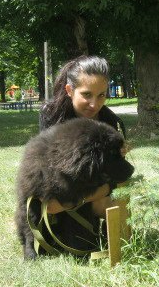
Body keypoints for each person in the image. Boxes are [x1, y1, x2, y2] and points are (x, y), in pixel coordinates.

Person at [39, 55, 128, 217]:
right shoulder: (52, 115)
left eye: (101, 95)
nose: (95, 104)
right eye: (87, 95)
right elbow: (51, 173)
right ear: (69, 90)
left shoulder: (109, 120)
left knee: (108, 202)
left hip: (94, 192)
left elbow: (116, 176)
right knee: (51, 205)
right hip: (63, 188)